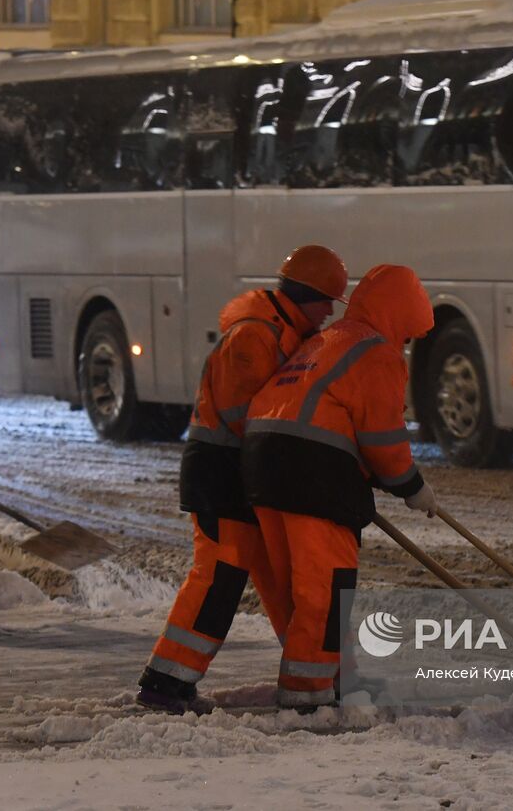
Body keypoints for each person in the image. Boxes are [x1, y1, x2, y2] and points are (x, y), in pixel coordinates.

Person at [138, 245, 349, 713]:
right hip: (221, 471)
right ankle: (166, 682)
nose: (330, 313)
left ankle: (315, 671)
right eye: (328, 301)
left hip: (243, 471)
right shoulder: (256, 336)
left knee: (272, 579)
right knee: (218, 577)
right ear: (307, 295)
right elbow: (244, 416)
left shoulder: (282, 332)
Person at [242, 263, 437, 709]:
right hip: (312, 471)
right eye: (408, 333)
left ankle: (338, 679)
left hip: (262, 464)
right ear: (398, 315)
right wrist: (412, 487)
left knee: (304, 587)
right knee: (325, 590)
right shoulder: (376, 353)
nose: (406, 344)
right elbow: (384, 440)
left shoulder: (328, 340)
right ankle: (306, 694)